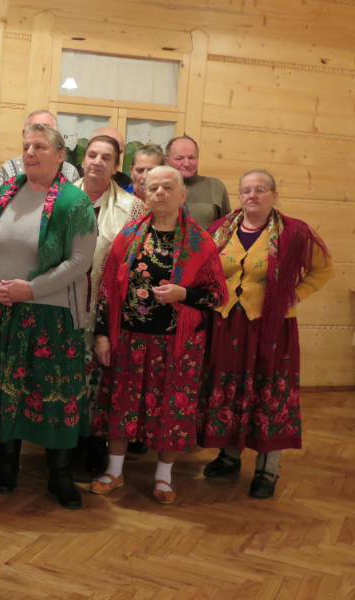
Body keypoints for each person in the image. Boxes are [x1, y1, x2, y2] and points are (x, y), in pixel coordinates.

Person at [0, 123, 97, 509]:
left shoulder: (75, 201)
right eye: (26, 146)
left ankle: (60, 476)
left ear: (60, 156)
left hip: (51, 319)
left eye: (40, 146)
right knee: (7, 391)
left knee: (53, 396)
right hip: (1, 312)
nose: (30, 153)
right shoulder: (4, 193)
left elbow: (80, 261)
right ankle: (7, 467)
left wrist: (32, 289)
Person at [91, 166, 226, 504]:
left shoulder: (201, 242)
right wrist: (102, 335)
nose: (160, 193)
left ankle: (164, 478)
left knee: (173, 409)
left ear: (182, 195)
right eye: (153, 188)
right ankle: (114, 471)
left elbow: (216, 296)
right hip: (130, 339)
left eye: (168, 187)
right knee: (121, 405)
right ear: (144, 194)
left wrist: (184, 294)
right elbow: (108, 289)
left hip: (178, 343)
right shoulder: (129, 235)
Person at [199, 169, 332, 499]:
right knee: (229, 389)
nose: (253, 195)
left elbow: (323, 268)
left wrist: (294, 295)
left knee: (268, 392)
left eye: (260, 189)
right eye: (246, 190)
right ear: (240, 195)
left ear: (274, 195)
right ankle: (229, 455)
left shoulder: (294, 232)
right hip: (227, 324)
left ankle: (268, 467)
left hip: (271, 328)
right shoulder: (220, 230)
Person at [76, 135, 147, 471]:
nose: (97, 162)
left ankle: (92, 443)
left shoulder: (133, 208)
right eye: (92, 155)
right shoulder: (60, 198)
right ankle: (60, 445)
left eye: (106, 157)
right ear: (82, 160)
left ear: (117, 166)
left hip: (105, 309)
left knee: (98, 380)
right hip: (62, 303)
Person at [0, 110, 80, 192]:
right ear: (24, 134)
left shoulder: (70, 172)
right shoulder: (8, 170)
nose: (38, 134)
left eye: (46, 129)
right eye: (33, 129)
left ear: (57, 134)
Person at [165, 135, 230, 229]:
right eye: (179, 158)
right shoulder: (158, 188)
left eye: (191, 158)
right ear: (166, 161)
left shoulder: (215, 186)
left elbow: (227, 227)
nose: (187, 163)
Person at [90, 126, 134, 193]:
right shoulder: (75, 178)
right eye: (93, 155)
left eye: (119, 153)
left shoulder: (125, 183)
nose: (97, 162)